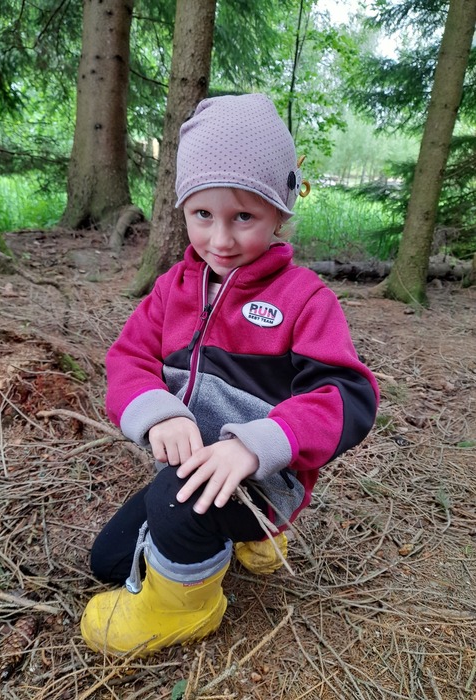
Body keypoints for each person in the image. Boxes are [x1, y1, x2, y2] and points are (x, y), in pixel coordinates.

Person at [80, 93, 379, 657]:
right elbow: (128, 358)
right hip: (192, 472)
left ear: (280, 212)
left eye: (244, 217)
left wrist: (255, 445)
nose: (220, 240)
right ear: (183, 209)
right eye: (203, 215)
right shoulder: (173, 289)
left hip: (264, 480)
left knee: (175, 501)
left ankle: (186, 608)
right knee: (109, 561)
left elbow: (348, 395)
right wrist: (159, 411)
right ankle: (224, 542)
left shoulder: (303, 298)